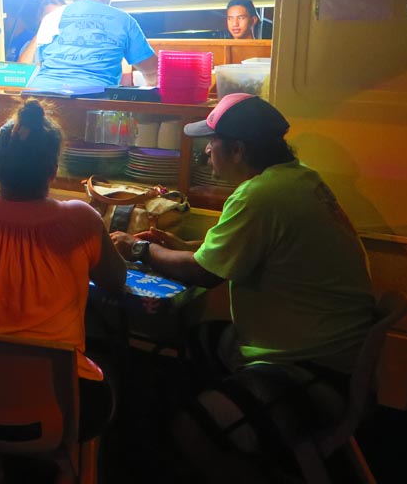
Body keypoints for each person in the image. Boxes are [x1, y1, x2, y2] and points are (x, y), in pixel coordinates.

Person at [109, 94, 375, 478]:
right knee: (197, 343)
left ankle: (229, 447)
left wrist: (138, 248)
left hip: (312, 373)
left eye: (210, 146)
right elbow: (231, 252)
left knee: (190, 429)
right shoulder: (298, 179)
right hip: (339, 357)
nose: (205, 156)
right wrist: (186, 248)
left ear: (237, 149)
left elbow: (204, 274)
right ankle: (240, 425)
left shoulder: (259, 196)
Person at [0, 99, 126, 440]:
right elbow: (116, 281)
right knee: (115, 366)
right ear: (53, 170)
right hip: (54, 410)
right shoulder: (82, 218)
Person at [26, 0, 158, 92]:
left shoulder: (51, 18)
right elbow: (152, 70)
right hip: (91, 101)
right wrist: (151, 86)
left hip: (40, 97)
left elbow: (39, 63)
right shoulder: (123, 20)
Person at [11, 0, 66, 64]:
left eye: (57, 16)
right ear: (41, 17)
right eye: (49, 16)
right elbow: (22, 68)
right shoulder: (30, 45)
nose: (53, 19)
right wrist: (41, 33)